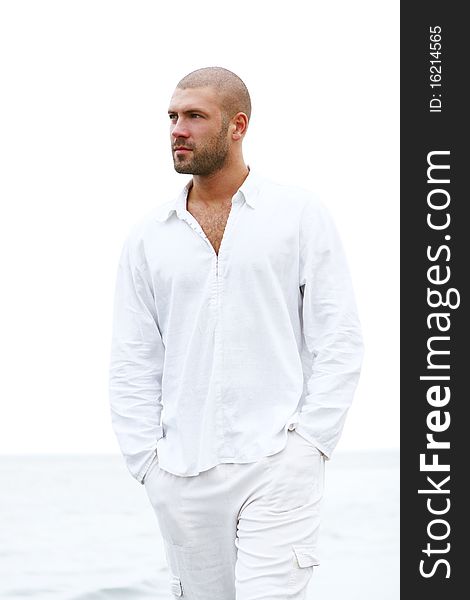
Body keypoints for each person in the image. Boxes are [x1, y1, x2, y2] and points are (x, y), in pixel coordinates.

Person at [109, 66, 363, 599]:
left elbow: (337, 338)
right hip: (182, 474)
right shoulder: (148, 237)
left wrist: (311, 445)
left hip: (276, 464)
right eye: (173, 117)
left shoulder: (298, 215)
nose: (178, 129)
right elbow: (133, 359)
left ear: (237, 125)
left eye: (195, 117)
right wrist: (148, 466)